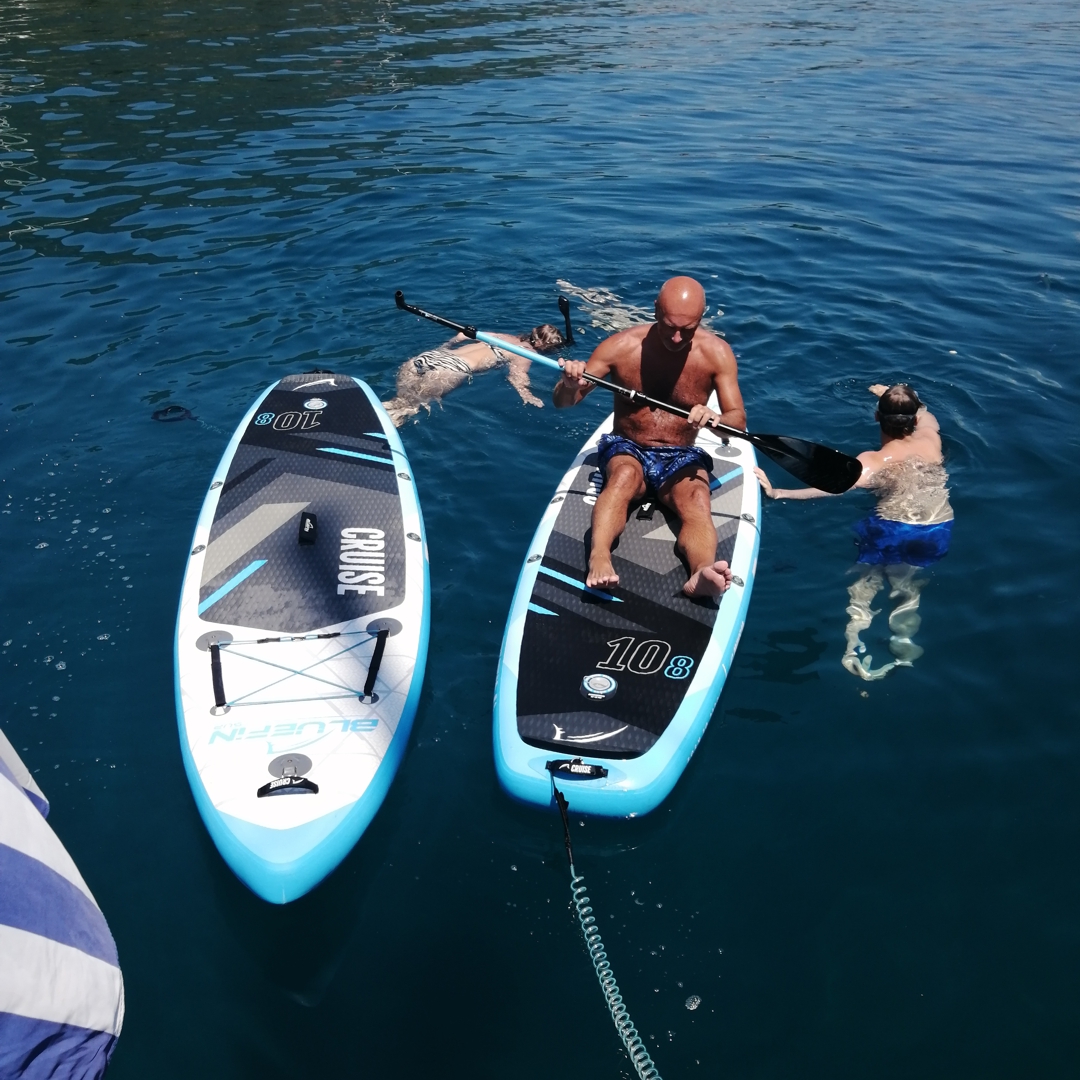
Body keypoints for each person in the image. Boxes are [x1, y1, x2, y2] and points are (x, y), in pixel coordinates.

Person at [554, 275, 746, 599]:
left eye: (687, 330)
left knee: (697, 498)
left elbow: (737, 420)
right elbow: (563, 402)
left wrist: (716, 420)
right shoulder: (620, 347)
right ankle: (599, 556)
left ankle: (702, 572)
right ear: (655, 309)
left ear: (701, 318)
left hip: (681, 455)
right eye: (669, 325)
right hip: (627, 446)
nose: (676, 337)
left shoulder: (717, 354)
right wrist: (570, 385)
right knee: (624, 477)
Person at [754, 384, 954, 680]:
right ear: (914, 421)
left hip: (892, 526)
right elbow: (927, 414)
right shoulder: (931, 440)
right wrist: (894, 396)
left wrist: (779, 492)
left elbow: (833, 488)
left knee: (864, 586)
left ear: (876, 417)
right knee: (907, 589)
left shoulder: (871, 461)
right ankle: (904, 643)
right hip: (937, 526)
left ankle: (852, 647)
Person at [383, 324, 565, 427]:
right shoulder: (525, 355)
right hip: (452, 369)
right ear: (543, 346)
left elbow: (462, 336)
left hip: (432, 356)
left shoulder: (503, 336)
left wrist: (446, 345)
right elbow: (516, 377)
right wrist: (527, 394)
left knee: (400, 400)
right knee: (408, 409)